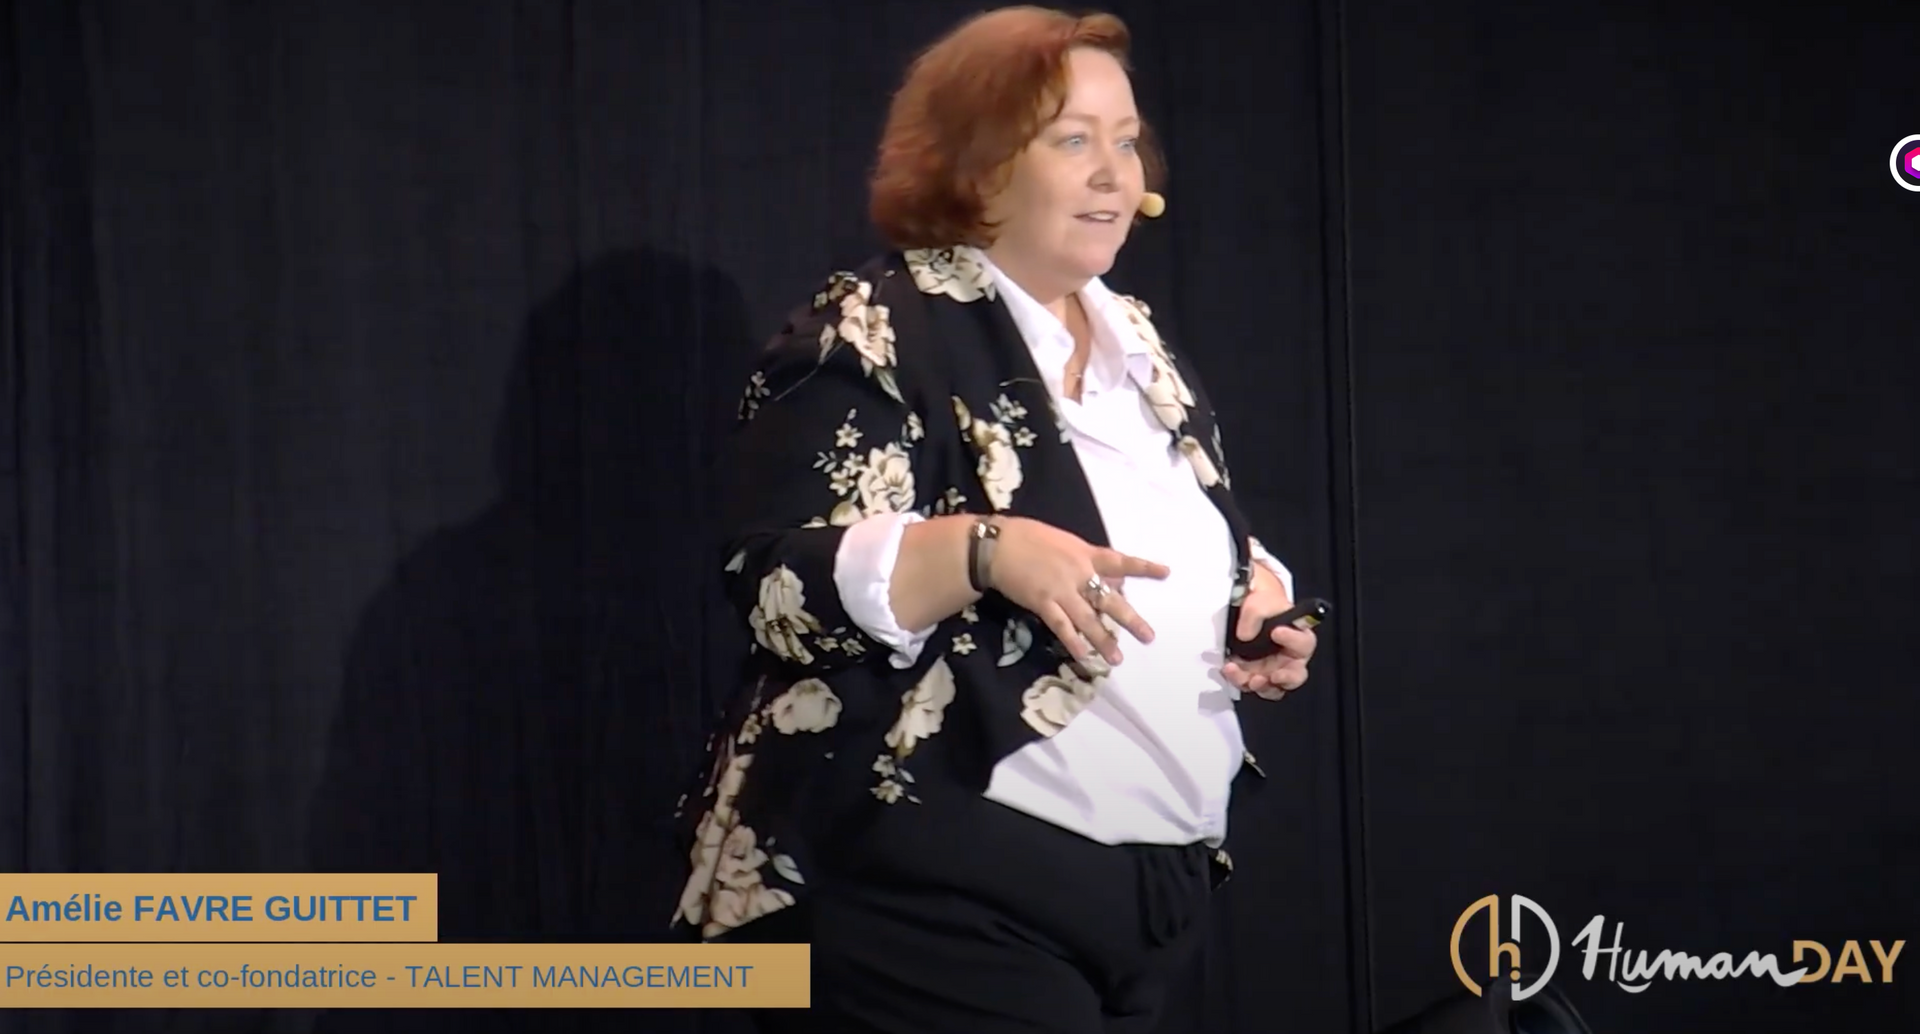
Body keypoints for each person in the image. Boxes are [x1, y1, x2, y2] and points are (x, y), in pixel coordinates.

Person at [669, 7, 1318, 1032]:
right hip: (936, 888)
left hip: (1151, 895)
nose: (1113, 174)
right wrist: (982, 549)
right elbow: (777, 585)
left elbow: (1158, 532)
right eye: (1072, 140)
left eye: (1125, 141)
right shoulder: (876, 325)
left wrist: (1255, 597)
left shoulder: (1137, 343)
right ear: (977, 166)